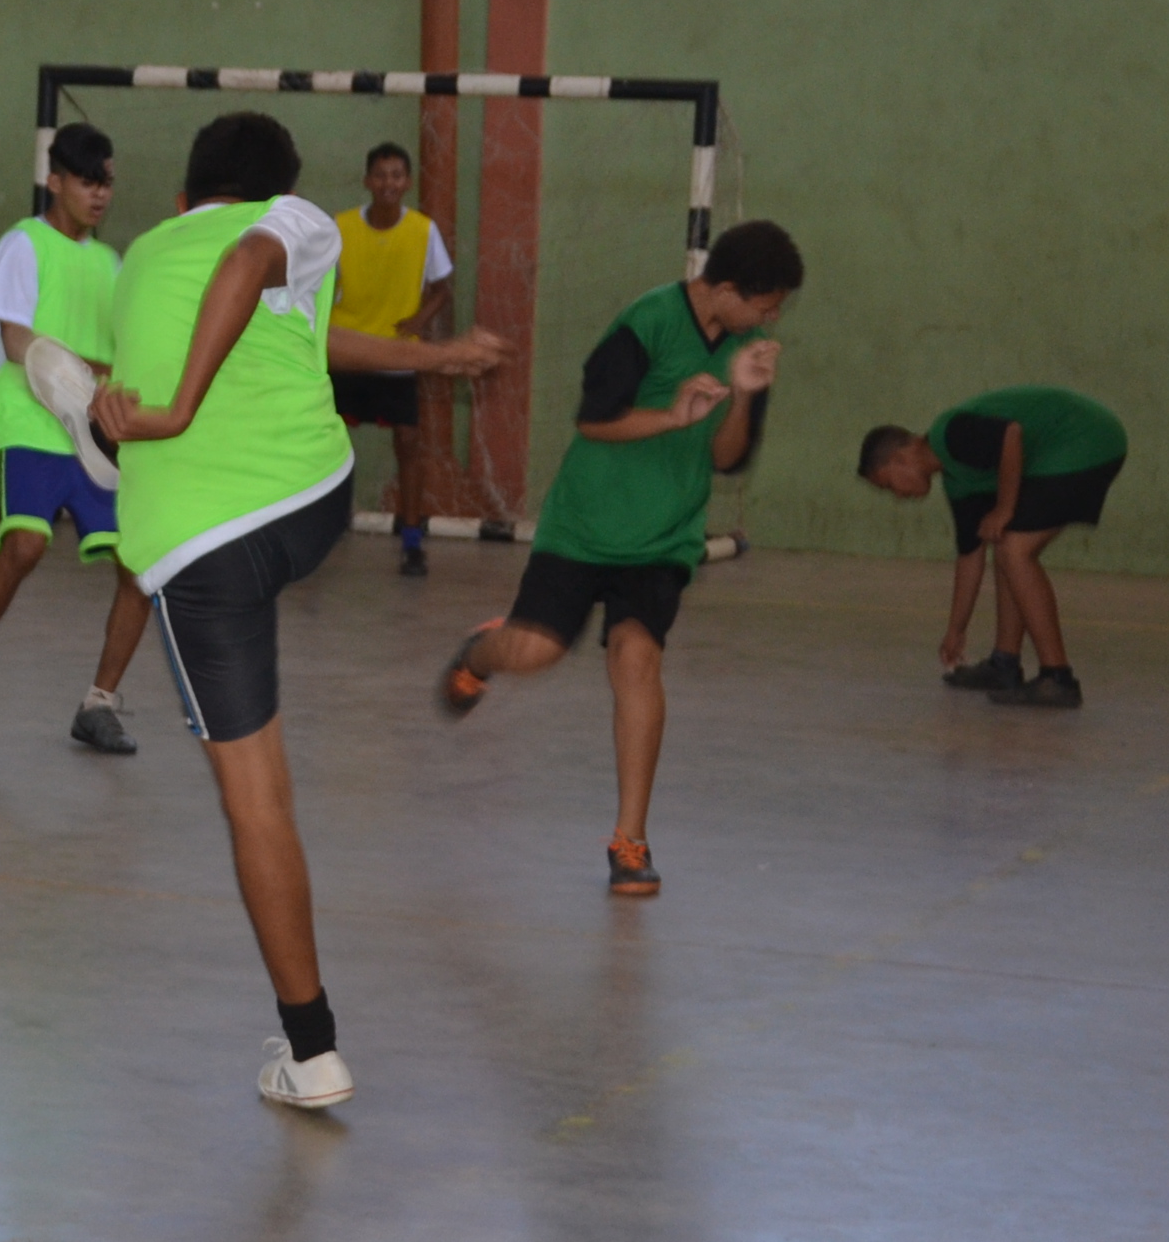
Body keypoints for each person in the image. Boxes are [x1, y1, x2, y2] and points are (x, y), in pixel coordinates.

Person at [87, 111, 509, 1111]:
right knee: (264, 792)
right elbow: (274, 290)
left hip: (199, 541)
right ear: (281, 182)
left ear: (187, 189)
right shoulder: (298, 220)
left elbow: (241, 276)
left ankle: (314, 1048)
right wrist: (438, 359)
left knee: (255, 803)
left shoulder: (145, 252)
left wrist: (173, 410)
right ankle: (303, 1053)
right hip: (304, 504)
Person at [438, 221, 806, 900]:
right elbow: (595, 421)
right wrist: (672, 415)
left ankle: (629, 842)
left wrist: (746, 394)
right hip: (584, 526)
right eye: (766, 304)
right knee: (534, 653)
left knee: (637, 659)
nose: (772, 317)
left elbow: (727, 459)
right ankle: (479, 655)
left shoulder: (751, 349)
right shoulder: (647, 321)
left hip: (663, 538)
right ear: (726, 290)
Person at [0, 119, 147, 756]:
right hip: (26, 415)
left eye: (107, 183)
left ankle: (100, 704)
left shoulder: (113, 263)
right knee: (26, 544)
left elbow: (126, 357)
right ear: (54, 181)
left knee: (140, 569)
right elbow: (14, 340)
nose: (100, 194)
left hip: (93, 426)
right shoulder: (23, 245)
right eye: (87, 182)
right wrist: (75, 372)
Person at [857, 385, 1128, 710]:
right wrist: (955, 632)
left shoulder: (950, 434)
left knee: (1014, 548)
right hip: (1069, 446)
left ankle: (1058, 678)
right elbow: (970, 556)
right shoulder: (958, 481)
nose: (898, 497)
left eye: (890, 485)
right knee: (1005, 544)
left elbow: (1010, 435)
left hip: (1086, 438)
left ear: (901, 457)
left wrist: (1004, 509)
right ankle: (1004, 664)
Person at [330, 140, 457, 578]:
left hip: (396, 356)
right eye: (380, 175)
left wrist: (419, 321)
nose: (388, 183)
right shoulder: (339, 227)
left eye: (396, 175)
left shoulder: (423, 230)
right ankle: (313, 527)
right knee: (315, 440)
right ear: (368, 181)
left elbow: (442, 288)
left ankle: (411, 540)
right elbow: (314, 283)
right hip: (345, 353)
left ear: (407, 182)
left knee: (408, 443)